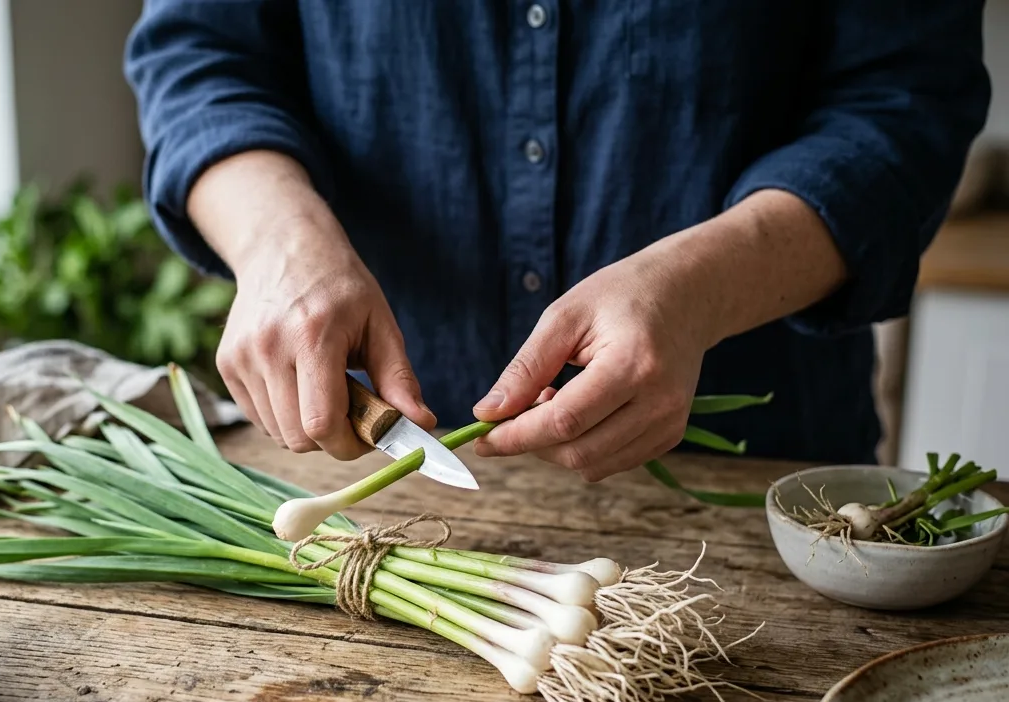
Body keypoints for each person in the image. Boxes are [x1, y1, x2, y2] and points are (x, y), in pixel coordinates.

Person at [124, 2, 989, 481]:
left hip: (759, 481)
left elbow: (904, 102)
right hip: (360, 478)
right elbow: (199, 50)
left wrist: (699, 287)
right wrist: (278, 239)